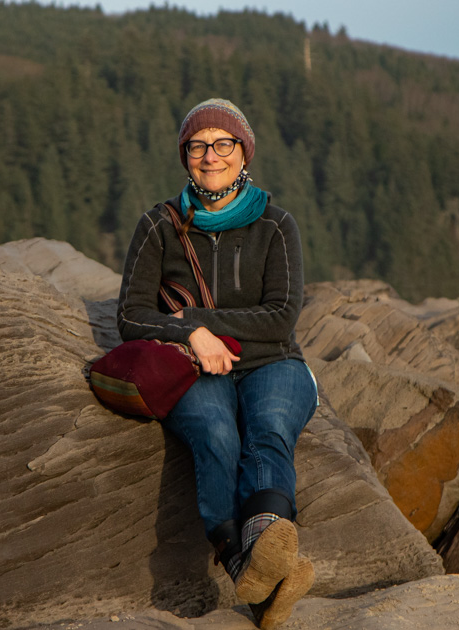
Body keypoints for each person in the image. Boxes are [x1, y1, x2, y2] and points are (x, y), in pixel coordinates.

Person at [116, 98, 318, 628]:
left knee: (269, 424)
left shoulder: (276, 225)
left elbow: (280, 319)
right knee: (214, 431)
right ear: (185, 155)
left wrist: (202, 320)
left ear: (243, 152)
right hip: (191, 365)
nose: (211, 156)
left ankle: (263, 538)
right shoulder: (159, 226)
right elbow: (131, 317)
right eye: (198, 145)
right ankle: (248, 565)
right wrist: (192, 333)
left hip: (274, 363)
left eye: (223, 143)